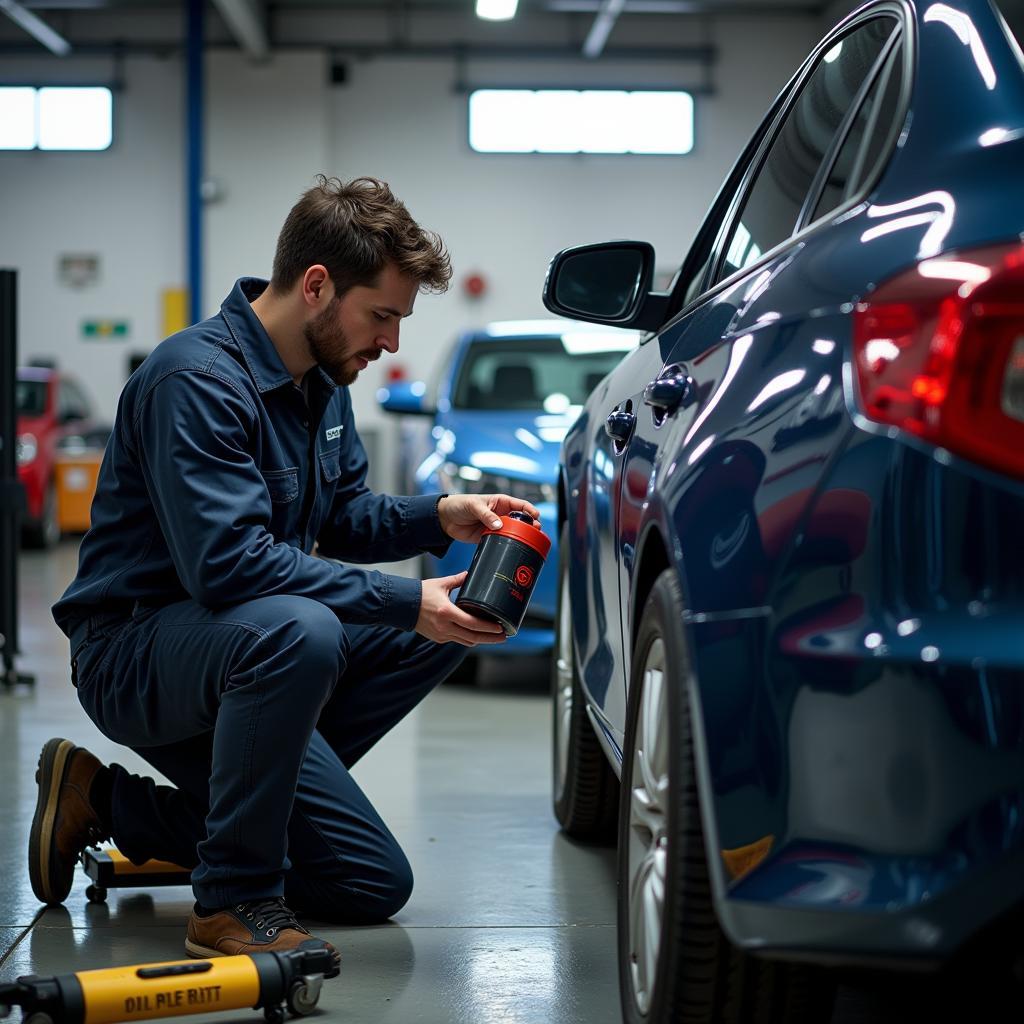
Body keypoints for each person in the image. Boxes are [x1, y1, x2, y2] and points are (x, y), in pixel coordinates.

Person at [31, 176, 539, 970]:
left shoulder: (321, 384)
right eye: (383, 316)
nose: (392, 344)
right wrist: (407, 600)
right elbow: (229, 565)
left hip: (244, 648)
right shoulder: (196, 380)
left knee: (369, 873)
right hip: (135, 654)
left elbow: (339, 516)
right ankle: (230, 899)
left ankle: (103, 801)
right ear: (316, 286)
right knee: (303, 629)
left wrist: (439, 516)